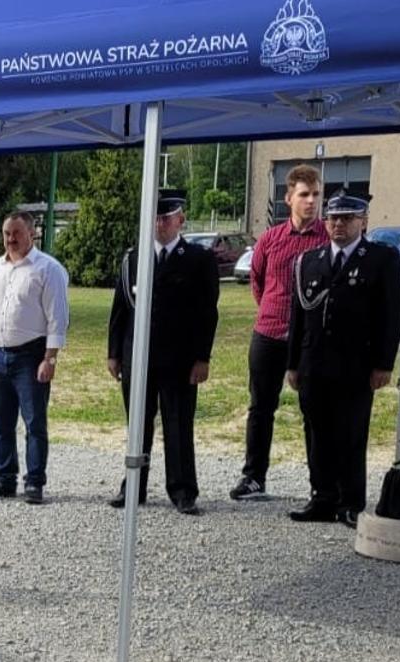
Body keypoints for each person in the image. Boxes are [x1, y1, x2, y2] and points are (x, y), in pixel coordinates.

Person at [285, 191, 400, 527]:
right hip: (314, 362)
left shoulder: (380, 259)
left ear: (363, 222)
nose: (340, 224)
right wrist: (293, 363)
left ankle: (350, 500)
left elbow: (390, 315)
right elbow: (298, 316)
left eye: (348, 218)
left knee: (351, 433)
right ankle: (322, 497)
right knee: (317, 432)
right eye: (334, 218)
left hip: (356, 363)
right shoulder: (309, 260)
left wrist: (384, 363)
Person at [105, 189, 220, 515]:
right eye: (154, 217)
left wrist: (202, 357)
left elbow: (206, 313)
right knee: (137, 425)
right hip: (137, 358)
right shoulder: (133, 258)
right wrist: (113, 352)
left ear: (180, 220)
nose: (159, 223)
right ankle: (134, 487)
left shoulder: (198, 259)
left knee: (178, 425)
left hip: (179, 359)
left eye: (166, 217)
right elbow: (120, 310)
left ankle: (183, 490)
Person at [235, 164, 329, 501]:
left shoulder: (327, 239)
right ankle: (254, 477)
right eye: (304, 195)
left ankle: (321, 483)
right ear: (288, 198)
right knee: (261, 407)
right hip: (269, 334)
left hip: (309, 342)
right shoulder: (270, 239)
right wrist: (273, 311)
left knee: (314, 411)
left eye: (316, 195)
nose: (311, 202)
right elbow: (258, 282)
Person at [0, 211, 69, 504]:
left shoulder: (48, 269)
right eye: (6, 234)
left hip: (30, 355)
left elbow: (57, 318)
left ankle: (34, 482)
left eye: (16, 233)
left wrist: (49, 359)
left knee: (34, 421)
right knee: (2, 423)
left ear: (32, 234)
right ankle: (5, 479)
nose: (10, 239)